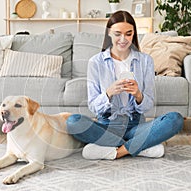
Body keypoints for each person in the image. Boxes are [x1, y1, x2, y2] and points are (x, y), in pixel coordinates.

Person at [66, 11, 184, 160]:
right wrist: (108, 93)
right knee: (73, 122)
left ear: (134, 34)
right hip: (106, 126)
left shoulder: (145, 61)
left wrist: (138, 95)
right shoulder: (95, 62)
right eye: (117, 34)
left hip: (136, 126)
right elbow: (93, 106)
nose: (123, 39)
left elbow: (148, 105)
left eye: (128, 34)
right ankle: (140, 146)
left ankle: (118, 151)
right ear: (109, 33)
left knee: (175, 119)